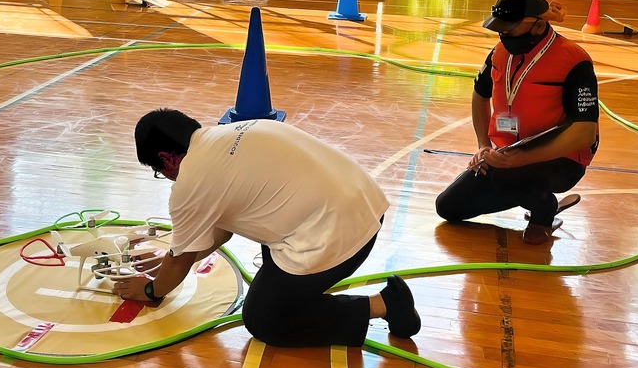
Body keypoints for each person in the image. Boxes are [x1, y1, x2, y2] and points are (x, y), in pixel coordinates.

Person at [113, 109, 421, 346]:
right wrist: (176, 257)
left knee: (265, 320)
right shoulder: (235, 132)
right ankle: (297, 287)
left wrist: (152, 289)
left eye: (159, 172)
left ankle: (385, 304)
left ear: (167, 159)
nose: (165, 178)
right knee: (269, 234)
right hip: (365, 209)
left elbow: (180, 261)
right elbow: (216, 231)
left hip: (339, 237)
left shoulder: (192, 181)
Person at [435, 0, 599, 245]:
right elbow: (480, 95)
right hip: (509, 154)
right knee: (448, 207)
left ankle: (544, 209)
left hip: (561, 157)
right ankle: (521, 188)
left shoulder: (574, 60)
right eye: (500, 29)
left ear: (537, 26)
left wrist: (520, 159)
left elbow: (584, 133)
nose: (503, 35)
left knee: (504, 176)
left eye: (509, 29)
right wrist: (483, 145)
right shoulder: (499, 53)